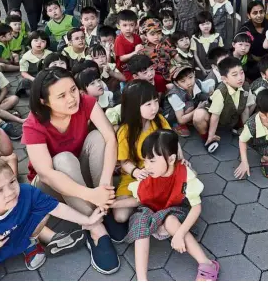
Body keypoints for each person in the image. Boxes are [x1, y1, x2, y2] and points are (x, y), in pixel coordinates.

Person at [22, 68, 120, 275]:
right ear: (44, 101)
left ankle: (104, 206)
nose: (72, 98)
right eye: (61, 95)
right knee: (63, 159)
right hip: (49, 186)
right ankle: (95, 228)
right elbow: (47, 173)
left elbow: (111, 137)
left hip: (80, 172)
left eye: (73, 90)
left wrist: (103, 184)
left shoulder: (85, 102)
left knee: (99, 138)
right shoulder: (34, 123)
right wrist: (90, 194)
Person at [0, 159, 104, 278]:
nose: (10, 192)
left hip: (21, 237)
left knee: (44, 210)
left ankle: (30, 245)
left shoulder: (26, 192)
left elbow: (56, 207)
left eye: (12, 181)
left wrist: (87, 220)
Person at [112, 130, 220, 282]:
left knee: (170, 221)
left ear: (171, 159)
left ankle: (207, 265)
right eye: (145, 160)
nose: (147, 166)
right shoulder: (148, 174)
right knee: (140, 219)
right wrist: (114, 204)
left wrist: (180, 234)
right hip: (153, 212)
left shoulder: (184, 174)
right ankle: (142, 279)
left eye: (152, 161)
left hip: (175, 211)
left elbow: (196, 208)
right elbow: (139, 199)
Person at [113, 81, 171, 223]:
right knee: (120, 217)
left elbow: (173, 142)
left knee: (188, 177)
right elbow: (124, 161)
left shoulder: (159, 121)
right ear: (134, 107)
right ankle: (147, 201)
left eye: (156, 102)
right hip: (135, 174)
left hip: (159, 170)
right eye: (148, 104)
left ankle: (142, 202)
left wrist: (182, 157)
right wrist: (136, 172)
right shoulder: (125, 131)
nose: (154, 108)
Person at [193, 57, 255, 152]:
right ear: (224, 79)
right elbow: (215, 116)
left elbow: (245, 107)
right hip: (216, 119)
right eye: (234, 75)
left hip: (231, 118)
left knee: (252, 101)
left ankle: (239, 128)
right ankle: (208, 139)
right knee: (198, 115)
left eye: (241, 72)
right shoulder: (220, 91)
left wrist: (246, 128)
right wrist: (211, 135)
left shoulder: (246, 86)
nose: (240, 77)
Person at [163, 65, 214, 138]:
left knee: (205, 97)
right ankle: (176, 125)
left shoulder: (196, 82)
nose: (189, 82)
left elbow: (209, 86)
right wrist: (197, 109)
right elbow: (181, 120)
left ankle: (190, 116)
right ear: (177, 83)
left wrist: (212, 92)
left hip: (187, 103)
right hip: (172, 115)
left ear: (194, 74)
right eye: (183, 81)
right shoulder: (174, 96)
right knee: (190, 106)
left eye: (190, 77)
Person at [235, 89, 268, 179]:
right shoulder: (252, 124)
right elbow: (242, 141)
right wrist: (244, 162)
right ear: (263, 115)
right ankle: (265, 158)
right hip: (260, 143)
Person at [18, 30, 51, 96]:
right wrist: (33, 79)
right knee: (24, 82)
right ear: (30, 42)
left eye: (43, 41)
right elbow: (23, 72)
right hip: (32, 78)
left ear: (47, 43)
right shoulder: (26, 57)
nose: (39, 43)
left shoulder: (50, 54)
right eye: (36, 40)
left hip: (46, 77)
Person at [191, 11, 224, 77]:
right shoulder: (194, 38)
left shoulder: (217, 37)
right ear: (198, 25)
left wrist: (214, 68)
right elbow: (195, 55)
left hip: (215, 70)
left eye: (208, 23)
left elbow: (221, 55)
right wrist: (203, 69)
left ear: (212, 23)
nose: (206, 26)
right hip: (199, 70)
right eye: (202, 24)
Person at [114, 10, 143, 81]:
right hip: (124, 68)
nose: (128, 28)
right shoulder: (119, 40)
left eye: (131, 25)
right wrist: (135, 53)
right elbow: (122, 58)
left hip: (136, 65)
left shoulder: (137, 37)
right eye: (124, 25)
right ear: (118, 26)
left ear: (136, 25)